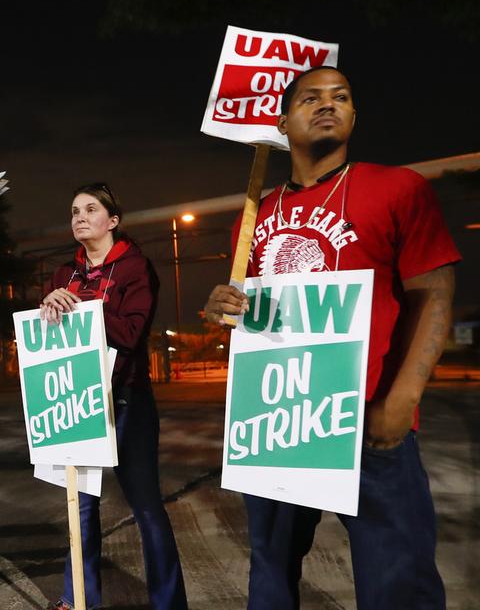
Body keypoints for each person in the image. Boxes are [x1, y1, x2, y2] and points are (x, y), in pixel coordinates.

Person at [204, 66, 460, 610]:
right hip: (279, 422)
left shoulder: (397, 188)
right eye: (310, 98)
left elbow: (433, 292)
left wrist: (402, 401)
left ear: (354, 115)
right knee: (270, 579)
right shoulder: (255, 216)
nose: (327, 104)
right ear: (281, 121)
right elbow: (247, 316)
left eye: (340, 97)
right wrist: (221, 306)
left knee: (396, 581)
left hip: (369, 424)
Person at [40, 183, 188, 610]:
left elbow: (130, 333)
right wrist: (47, 301)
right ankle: (76, 599)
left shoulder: (135, 268)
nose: (79, 217)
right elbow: (48, 331)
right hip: (78, 401)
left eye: (90, 209)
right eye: (73, 212)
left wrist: (85, 304)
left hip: (127, 401)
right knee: (79, 505)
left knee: (146, 508)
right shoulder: (61, 274)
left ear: (113, 221)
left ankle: (169, 602)